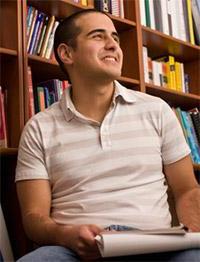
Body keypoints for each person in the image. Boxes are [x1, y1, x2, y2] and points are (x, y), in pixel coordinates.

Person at [15, 9, 200, 262]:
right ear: (66, 53)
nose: (113, 44)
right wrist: (67, 235)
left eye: (115, 37)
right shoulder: (38, 128)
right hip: (74, 251)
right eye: (98, 36)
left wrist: (194, 234)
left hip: (155, 247)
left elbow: (187, 189)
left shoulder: (157, 110)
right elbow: (34, 218)